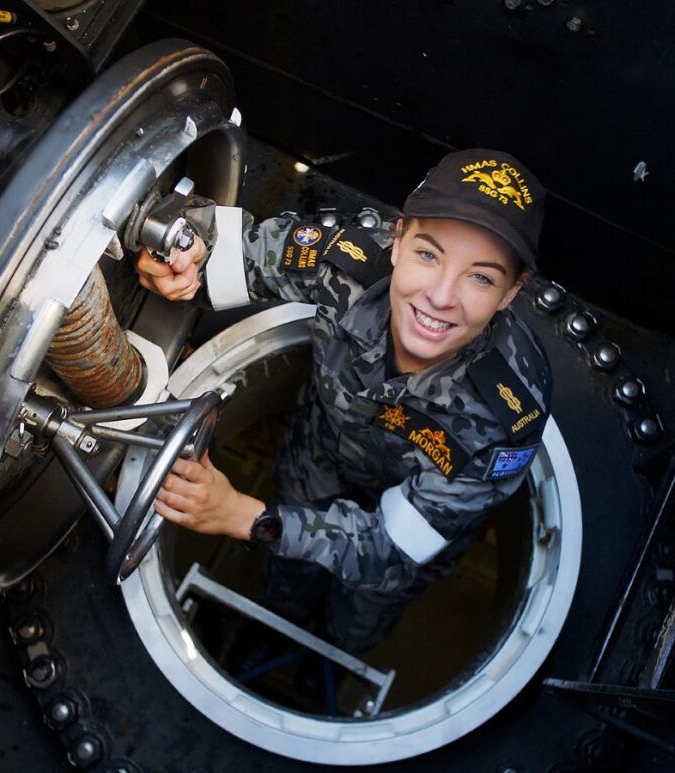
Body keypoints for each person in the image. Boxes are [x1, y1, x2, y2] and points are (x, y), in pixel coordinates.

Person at [134, 149, 552, 656]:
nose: (442, 296)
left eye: (481, 277)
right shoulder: (349, 264)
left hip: (404, 536)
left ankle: (327, 656)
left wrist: (241, 515)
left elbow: (388, 550)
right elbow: (216, 248)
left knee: (360, 620)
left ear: (511, 293)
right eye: (428, 254)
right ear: (397, 241)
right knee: (284, 582)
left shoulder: (504, 415)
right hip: (320, 457)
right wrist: (176, 262)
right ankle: (270, 634)